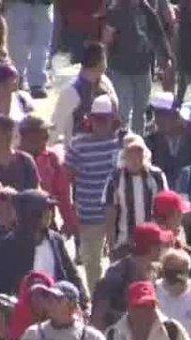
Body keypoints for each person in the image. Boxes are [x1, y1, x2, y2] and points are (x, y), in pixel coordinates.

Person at [65, 95, 124, 290]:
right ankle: (96, 297)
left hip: (118, 214)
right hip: (89, 212)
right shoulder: (78, 144)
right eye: (96, 118)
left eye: (104, 119)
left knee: (120, 259)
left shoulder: (122, 142)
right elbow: (68, 176)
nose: (100, 123)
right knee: (92, 263)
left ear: (112, 119)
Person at [101, 0, 171, 134]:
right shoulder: (116, 10)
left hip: (143, 69)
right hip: (120, 69)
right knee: (123, 110)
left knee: (141, 111)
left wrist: (166, 59)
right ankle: (120, 144)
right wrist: (104, 63)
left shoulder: (147, 10)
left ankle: (139, 142)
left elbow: (158, 35)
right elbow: (106, 39)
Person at [103, 137, 170, 252]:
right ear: (124, 155)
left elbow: (165, 209)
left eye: (139, 152)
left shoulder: (156, 176)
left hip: (153, 242)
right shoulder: (115, 178)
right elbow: (110, 212)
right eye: (130, 153)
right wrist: (111, 245)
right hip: (124, 243)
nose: (135, 158)